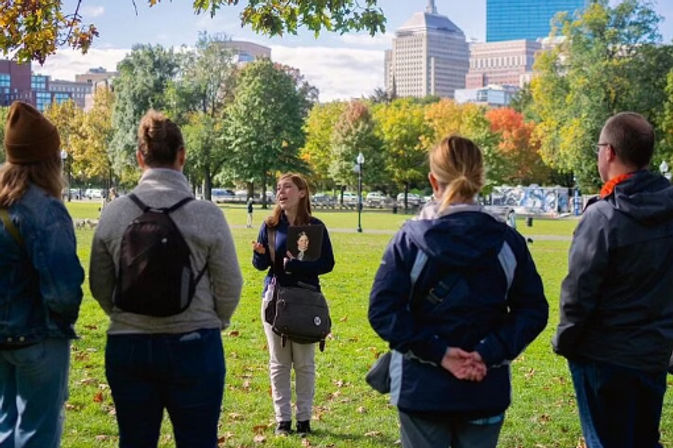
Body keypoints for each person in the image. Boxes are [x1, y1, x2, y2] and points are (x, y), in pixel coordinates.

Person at [369, 135, 548, 448]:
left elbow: (384, 312)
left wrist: (440, 353)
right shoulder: (508, 243)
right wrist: (486, 352)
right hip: (484, 386)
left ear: (432, 181)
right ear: (481, 179)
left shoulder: (409, 242)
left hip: (422, 389)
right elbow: (532, 311)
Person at [89, 109, 243, 448]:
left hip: (129, 344)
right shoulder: (207, 214)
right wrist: (214, 319)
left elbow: (99, 283)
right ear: (182, 156)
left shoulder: (115, 212)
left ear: (139, 157)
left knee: (135, 440)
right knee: (198, 440)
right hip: (195, 344)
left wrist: (125, 315)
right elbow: (230, 284)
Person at [553, 112, 673, 448]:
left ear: (609, 153)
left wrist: (566, 340)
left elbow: (578, 292)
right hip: (652, 352)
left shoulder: (603, 216)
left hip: (604, 357)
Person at [0, 101, 84, 448]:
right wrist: (62, 319)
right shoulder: (47, 210)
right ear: (50, 159)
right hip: (39, 336)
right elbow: (64, 289)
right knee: (37, 435)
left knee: (5, 428)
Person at [252, 173, 335, 436]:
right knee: (279, 363)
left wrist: (297, 265)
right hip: (276, 299)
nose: (281, 191)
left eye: (287, 187)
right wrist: (259, 255)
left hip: (306, 301)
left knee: (304, 363)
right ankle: (283, 420)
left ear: (302, 193)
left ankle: (304, 420)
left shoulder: (315, 226)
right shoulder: (270, 225)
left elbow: (328, 263)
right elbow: (260, 266)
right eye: (278, 188)